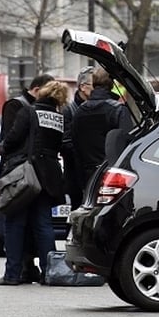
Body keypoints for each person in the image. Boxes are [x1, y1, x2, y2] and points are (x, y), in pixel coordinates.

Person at [0, 81, 69, 286]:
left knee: (15, 222)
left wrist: (1, 148)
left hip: (26, 176)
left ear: (42, 93)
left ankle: (12, 274)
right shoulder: (59, 118)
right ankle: (49, 272)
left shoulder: (29, 111)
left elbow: (12, 139)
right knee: (43, 224)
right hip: (49, 176)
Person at [71, 67, 133, 190]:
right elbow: (128, 145)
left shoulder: (79, 112)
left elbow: (75, 146)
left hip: (86, 177)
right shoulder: (118, 110)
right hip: (112, 177)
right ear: (111, 84)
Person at [61, 66, 94, 210]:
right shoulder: (69, 110)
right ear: (82, 86)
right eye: (94, 85)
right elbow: (65, 142)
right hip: (75, 174)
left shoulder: (98, 107)